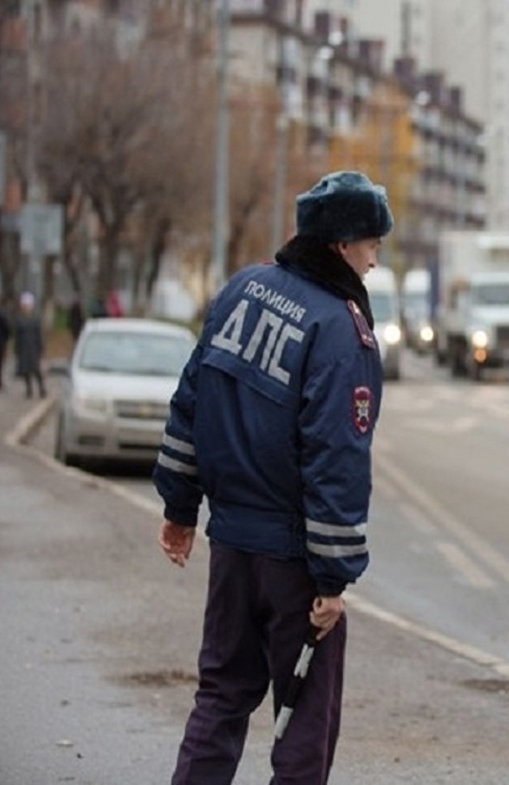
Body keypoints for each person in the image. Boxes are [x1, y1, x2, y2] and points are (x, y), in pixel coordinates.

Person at [152, 171, 393, 784]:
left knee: (221, 699)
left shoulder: (242, 290)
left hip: (231, 546)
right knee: (304, 721)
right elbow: (336, 455)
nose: (375, 255)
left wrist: (181, 510)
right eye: (371, 241)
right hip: (293, 564)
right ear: (341, 243)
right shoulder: (341, 329)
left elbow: (191, 402)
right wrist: (332, 577)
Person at [13, 292, 46, 399]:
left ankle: (42, 388)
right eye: (24, 306)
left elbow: (38, 335)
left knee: (36, 369)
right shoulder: (19, 320)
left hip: (33, 348)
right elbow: (17, 336)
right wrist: (16, 348)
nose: (26, 308)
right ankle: (29, 389)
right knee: (25, 370)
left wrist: (40, 348)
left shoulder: (35, 320)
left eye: (28, 306)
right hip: (23, 348)